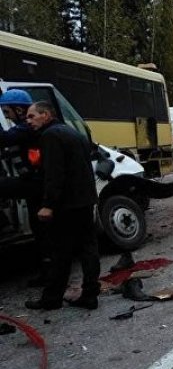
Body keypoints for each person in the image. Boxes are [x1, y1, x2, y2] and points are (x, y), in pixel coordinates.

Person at [24, 101, 100, 310]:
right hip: (85, 200)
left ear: (46, 115)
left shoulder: (50, 136)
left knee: (60, 253)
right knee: (88, 249)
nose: (28, 121)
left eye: (32, 116)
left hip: (66, 205)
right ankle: (90, 295)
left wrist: (48, 204)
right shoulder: (73, 133)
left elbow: (54, 174)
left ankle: (51, 299)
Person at [0, 90, 49, 286]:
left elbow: (3, 139)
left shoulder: (24, 128)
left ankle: (50, 274)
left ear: (18, 109)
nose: (6, 116)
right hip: (33, 185)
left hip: (36, 185)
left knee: (43, 232)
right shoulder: (23, 128)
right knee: (39, 230)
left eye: (7, 112)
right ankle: (47, 273)